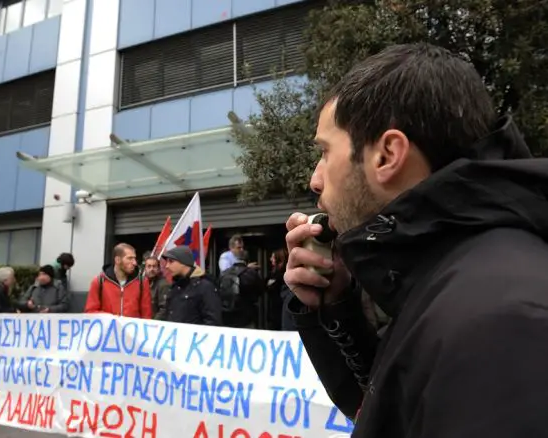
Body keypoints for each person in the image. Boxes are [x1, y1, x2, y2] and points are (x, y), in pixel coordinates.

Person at [284, 43, 548, 437]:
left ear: (388, 155)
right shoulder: (456, 278)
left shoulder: (501, 323)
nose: (315, 179)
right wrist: (336, 305)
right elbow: (397, 406)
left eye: (325, 152)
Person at [84, 243, 152, 318]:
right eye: (130, 258)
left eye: (134, 258)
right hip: (109, 329)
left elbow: (146, 315)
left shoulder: (142, 282)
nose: (134, 263)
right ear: (117, 260)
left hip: (132, 329)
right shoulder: (99, 281)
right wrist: (110, 318)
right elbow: (90, 312)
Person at [162, 246, 222, 325]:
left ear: (183, 262)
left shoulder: (205, 287)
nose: (167, 266)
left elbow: (213, 321)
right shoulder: (175, 287)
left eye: (171, 261)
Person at [144, 255, 170, 320]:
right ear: (145, 268)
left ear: (158, 269)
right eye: (149, 266)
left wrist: (153, 323)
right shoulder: (141, 283)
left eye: (154, 266)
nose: (151, 269)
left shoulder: (163, 284)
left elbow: (164, 309)